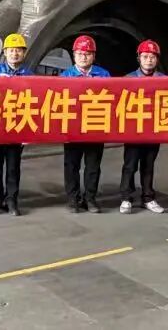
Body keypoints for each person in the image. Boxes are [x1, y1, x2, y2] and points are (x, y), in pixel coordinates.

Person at [61, 35, 111, 213]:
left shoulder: (104, 75)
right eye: (80, 53)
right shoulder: (65, 77)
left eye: (87, 54)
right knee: (71, 166)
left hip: (95, 127)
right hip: (72, 129)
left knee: (93, 166)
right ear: (74, 55)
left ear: (93, 56)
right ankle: (73, 199)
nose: (83, 57)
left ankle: (90, 198)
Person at [0, 32, 32, 217]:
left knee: (13, 167)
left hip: (17, 128)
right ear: (5, 52)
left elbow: (35, 103)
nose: (14, 54)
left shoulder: (29, 75)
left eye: (18, 50)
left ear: (24, 53)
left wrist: (29, 132)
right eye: (11, 50)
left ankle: (12, 201)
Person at [119, 39, 166, 215]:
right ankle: (126, 197)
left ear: (157, 59)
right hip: (134, 131)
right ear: (139, 58)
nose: (149, 60)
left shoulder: (165, 81)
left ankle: (148, 197)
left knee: (148, 165)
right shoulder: (128, 80)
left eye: (152, 57)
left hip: (153, 131)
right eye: (145, 56)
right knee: (130, 165)